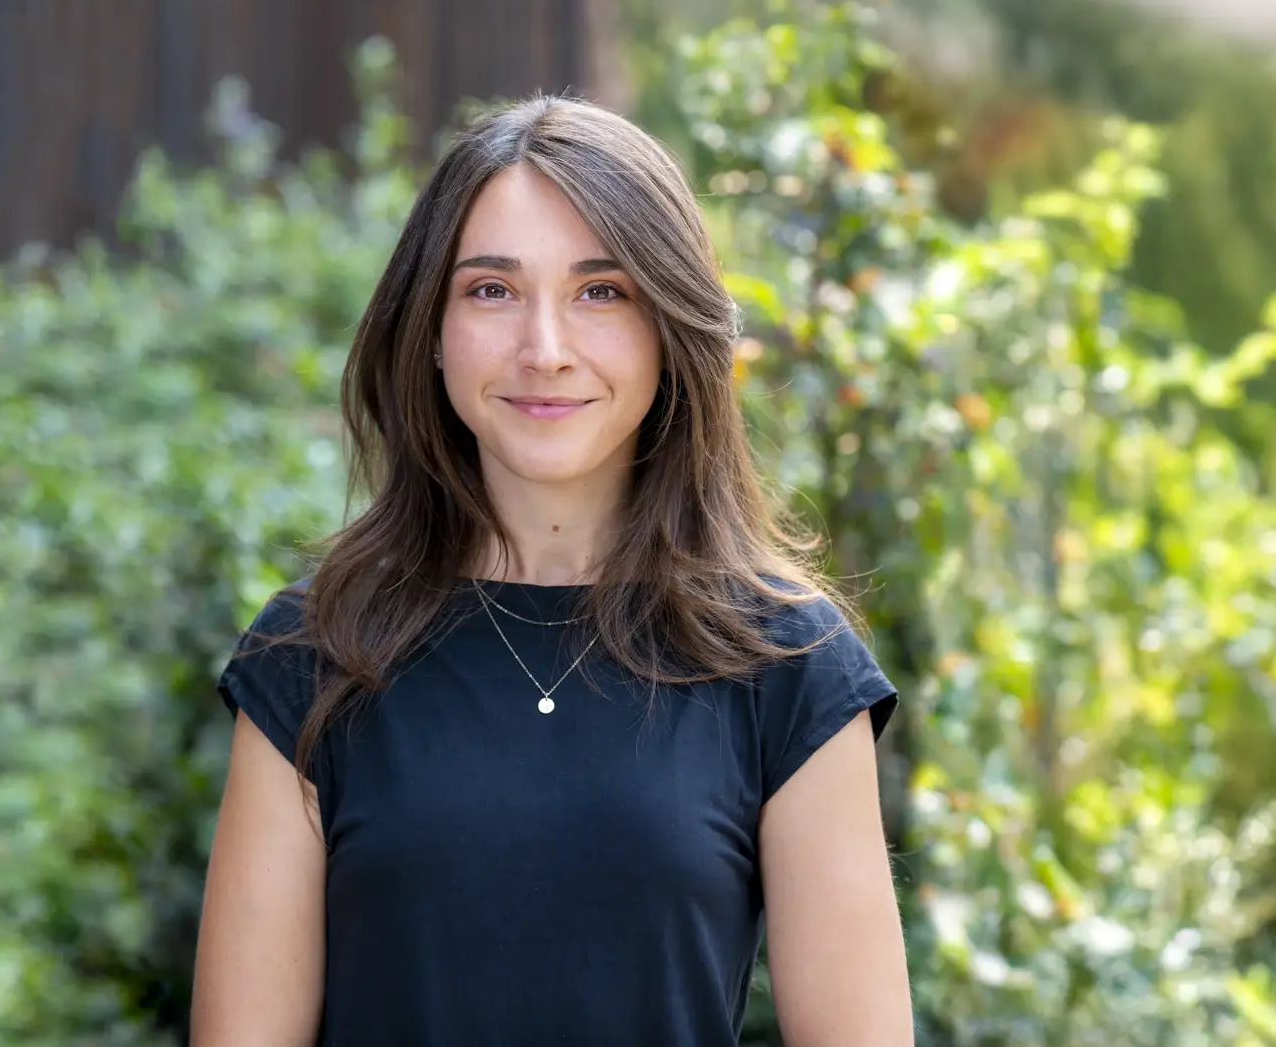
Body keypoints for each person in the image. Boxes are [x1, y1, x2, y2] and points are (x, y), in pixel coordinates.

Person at [189, 95, 913, 1046]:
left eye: (601, 291)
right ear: (431, 331)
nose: (546, 350)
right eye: (491, 290)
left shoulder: (788, 663)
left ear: (671, 329)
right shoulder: (310, 655)